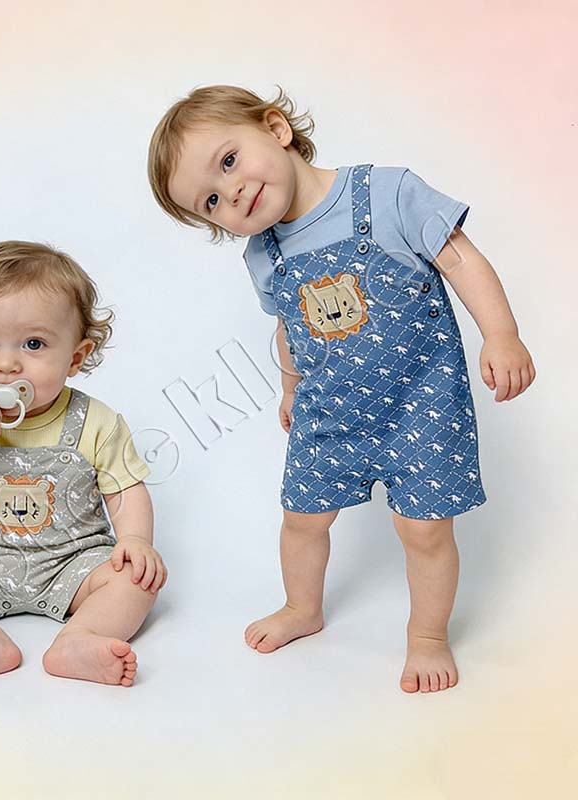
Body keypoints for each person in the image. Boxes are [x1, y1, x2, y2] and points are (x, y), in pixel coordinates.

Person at [147, 85, 534, 693]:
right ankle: (302, 607)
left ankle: (427, 636)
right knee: (301, 519)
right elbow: (288, 324)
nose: (233, 192)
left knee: (424, 530)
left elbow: (461, 260)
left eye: (229, 161)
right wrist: (290, 387)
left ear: (276, 128)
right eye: (211, 201)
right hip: (329, 410)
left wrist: (501, 335)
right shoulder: (264, 255)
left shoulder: (388, 192)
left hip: (422, 405)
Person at [0, 241, 166, 688]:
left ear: (75, 357)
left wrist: (135, 540)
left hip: (73, 563)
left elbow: (125, 489)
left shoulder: (96, 421)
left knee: (137, 580)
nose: (5, 365)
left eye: (33, 343)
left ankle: (82, 638)